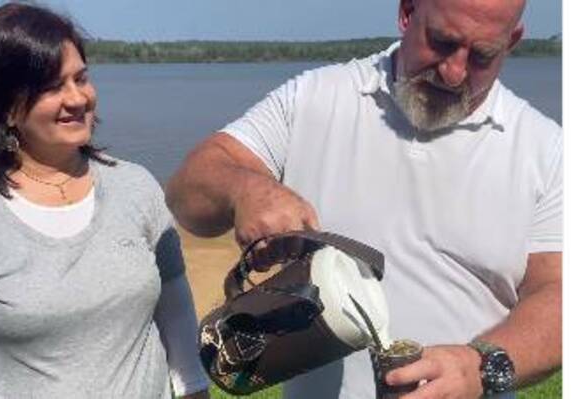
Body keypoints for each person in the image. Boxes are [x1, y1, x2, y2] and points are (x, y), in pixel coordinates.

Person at [166, 0, 561, 398]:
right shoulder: (315, 99)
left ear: (511, 42)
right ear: (407, 13)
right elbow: (187, 190)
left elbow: (558, 295)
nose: (454, 72)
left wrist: (477, 366)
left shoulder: (547, 150)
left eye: (482, 56)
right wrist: (245, 189)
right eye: (442, 42)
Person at [0, 3, 209, 398]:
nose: (77, 99)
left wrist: (193, 386)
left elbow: (174, 300)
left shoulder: (135, 186)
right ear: (8, 107)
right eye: (52, 87)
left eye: (81, 78)